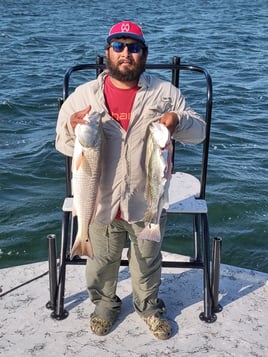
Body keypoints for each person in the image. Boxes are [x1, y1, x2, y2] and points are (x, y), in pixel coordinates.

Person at [55, 20, 206, 340]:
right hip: (98, 199)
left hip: (146, 198)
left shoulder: (165, 92)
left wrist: (177, 120)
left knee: (148, 261)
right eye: (119, 46)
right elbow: (62, 144)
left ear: (144, 53)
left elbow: (199, 133)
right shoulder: (84, 96)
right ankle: (104, 305)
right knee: (99, 263)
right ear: (107, 52)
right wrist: (72, 123)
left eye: (134, 47)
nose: (126, 53)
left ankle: (148, 307)